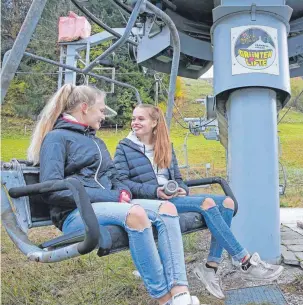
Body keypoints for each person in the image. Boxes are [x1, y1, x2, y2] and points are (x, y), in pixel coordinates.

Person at [27, 84, 200, 305]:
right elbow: (53, 189)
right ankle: (164, 299)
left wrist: (123, 191)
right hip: (76, 213)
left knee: (167, 208)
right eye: (101, 110)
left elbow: (113, 176)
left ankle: (180, 292)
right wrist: (113, 197)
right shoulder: (56, 138)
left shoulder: (95, 141)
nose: (103, 116)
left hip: (106, 208)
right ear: (84, 108)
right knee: (136, 214)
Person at [113, 104, 284, 300]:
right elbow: (121, 183)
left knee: (227, 203)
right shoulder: (124, 148)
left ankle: (210, 268)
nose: (135, 122)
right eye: (134, 118)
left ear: (154, 122)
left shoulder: (165, 146)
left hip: (172, 197)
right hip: (148, 201)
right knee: (207, 203)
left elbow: (178, 179)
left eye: (140, 119)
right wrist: (156, 191)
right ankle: (244, 261)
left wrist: (180, 189)